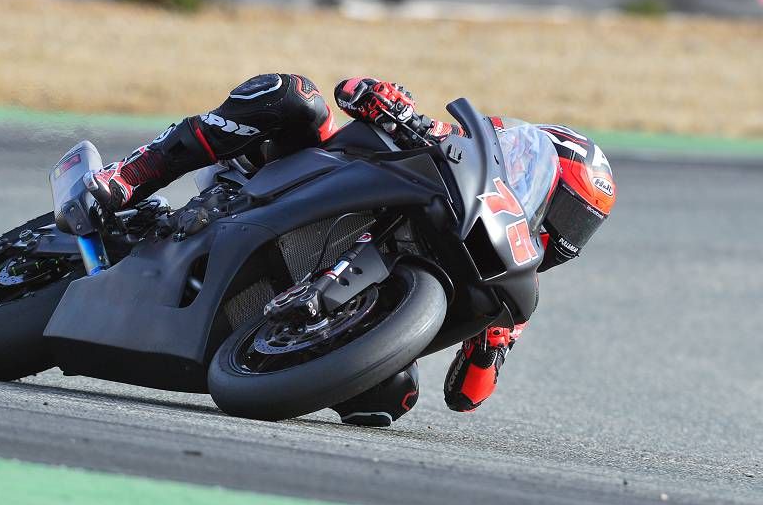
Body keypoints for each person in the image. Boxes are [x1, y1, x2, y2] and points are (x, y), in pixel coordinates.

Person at [82, 74, 616, 426]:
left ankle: (281, 348)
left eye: (582, 225)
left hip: (331, 311)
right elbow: (353, 89)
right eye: (568, 209)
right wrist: (384, 100)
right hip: (302, 180)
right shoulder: (457, 153)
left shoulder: (510, 287)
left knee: (388, 401)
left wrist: (492, 341)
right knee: (293, 95)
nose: (567, 233)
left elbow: (467, 397)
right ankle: (130, 176)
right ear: (534, 172)